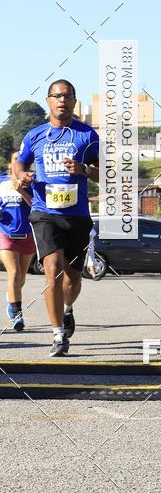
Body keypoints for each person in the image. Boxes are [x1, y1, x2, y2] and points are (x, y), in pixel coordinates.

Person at [14, 80, 99, 356]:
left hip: (76, 216)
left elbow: (106, 173)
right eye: (57, 96)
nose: (62, 100)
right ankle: (58, 334)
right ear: (48, 101)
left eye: (68, 96)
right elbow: (19, 162)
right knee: (52, 270)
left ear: (75, 102)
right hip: (44, 212)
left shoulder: (88, 136)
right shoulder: (35, 135)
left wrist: (84, 169)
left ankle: (67, 308)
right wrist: (20, 175)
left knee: (72, 281)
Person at [0, 150, 35, 332]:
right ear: (9, 164)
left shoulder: (31, 183)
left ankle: (11, 300)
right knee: (13, 273)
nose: (19, 162)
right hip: (5, 234)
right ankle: (17, 315)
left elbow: (36, 206)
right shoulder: (0, 181)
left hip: (27, 234)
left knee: (21, 277)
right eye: (16, 159)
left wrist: (20, 189)